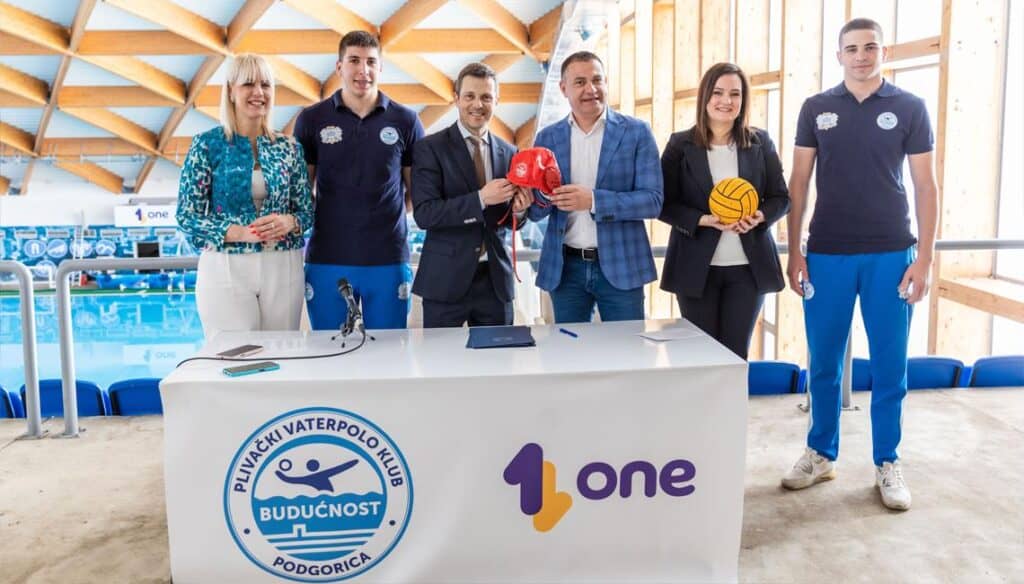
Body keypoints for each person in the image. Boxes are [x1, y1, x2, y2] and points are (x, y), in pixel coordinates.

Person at [780, 18, 938, 511]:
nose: (862, 56)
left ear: (883, 52)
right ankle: (821, 453)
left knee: (890, 366)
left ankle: (887, 461)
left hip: (891, 253)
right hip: (826, 254)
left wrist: (924, 259)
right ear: (839, 56)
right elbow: (799, 182)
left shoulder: (910, 107)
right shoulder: (816, 108)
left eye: (870, 47)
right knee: (824, 362)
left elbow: (926, 186)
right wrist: (795, 249)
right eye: (852, 49)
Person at [294, 31, 425, 331]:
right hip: (327, 258)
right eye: (354, 60)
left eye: (370, 62)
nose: (363, 70)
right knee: (328, 349)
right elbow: (303, 192)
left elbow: (414, 194)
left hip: (388, 260)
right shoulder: (311, 120)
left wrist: (382, 216)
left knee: (389, 350)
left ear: (380, 68)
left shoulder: (406, 121)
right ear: (339, 67)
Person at [176, 54, 312, 340]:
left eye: (266, 84)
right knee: (234, 354)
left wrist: (289, 222)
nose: (258, 92)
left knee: (282, 352)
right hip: (226, 265)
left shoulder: (289, 147)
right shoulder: (208, 145)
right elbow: (187, 216)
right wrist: (236, 232)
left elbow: (306, 211)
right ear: (231, 91)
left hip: (283, 265)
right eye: (248, 84)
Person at [658, 63, 790, 359]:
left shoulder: (760, 142)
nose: (726, 101)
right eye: (717, 93)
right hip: (695, 268)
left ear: (744, 100)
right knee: (699, 356)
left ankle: (734, 394)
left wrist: (760, 216)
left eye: (735, 94)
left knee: (735, 355)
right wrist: (702, 220)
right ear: (705, 97)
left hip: (748, 269)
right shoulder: (680, 144)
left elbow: (781, 198)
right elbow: (663, 203)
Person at [528, 51, 663, 323]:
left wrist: (593, 201)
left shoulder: (637, 132)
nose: (591, 89)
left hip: (622, 264)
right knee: (570, 347)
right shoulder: (547, 138)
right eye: (580, 82)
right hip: (566, 269)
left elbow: (653, 201)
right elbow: (537, 211)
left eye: (597, 80)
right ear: (563, 88)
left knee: (627, 346)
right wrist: (534, 199)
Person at [411, 63, 531, 327]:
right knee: (442, 354)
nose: (478, 104)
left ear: (496, 100)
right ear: (456, 99)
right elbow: (425, 214)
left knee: (498, 354)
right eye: (470, 96)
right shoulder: (429, 148)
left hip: (495, 283)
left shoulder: (510, 152)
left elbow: (510, 221)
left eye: (486, 97)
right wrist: (480, 199)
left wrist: (520, 210)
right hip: (445, 281)